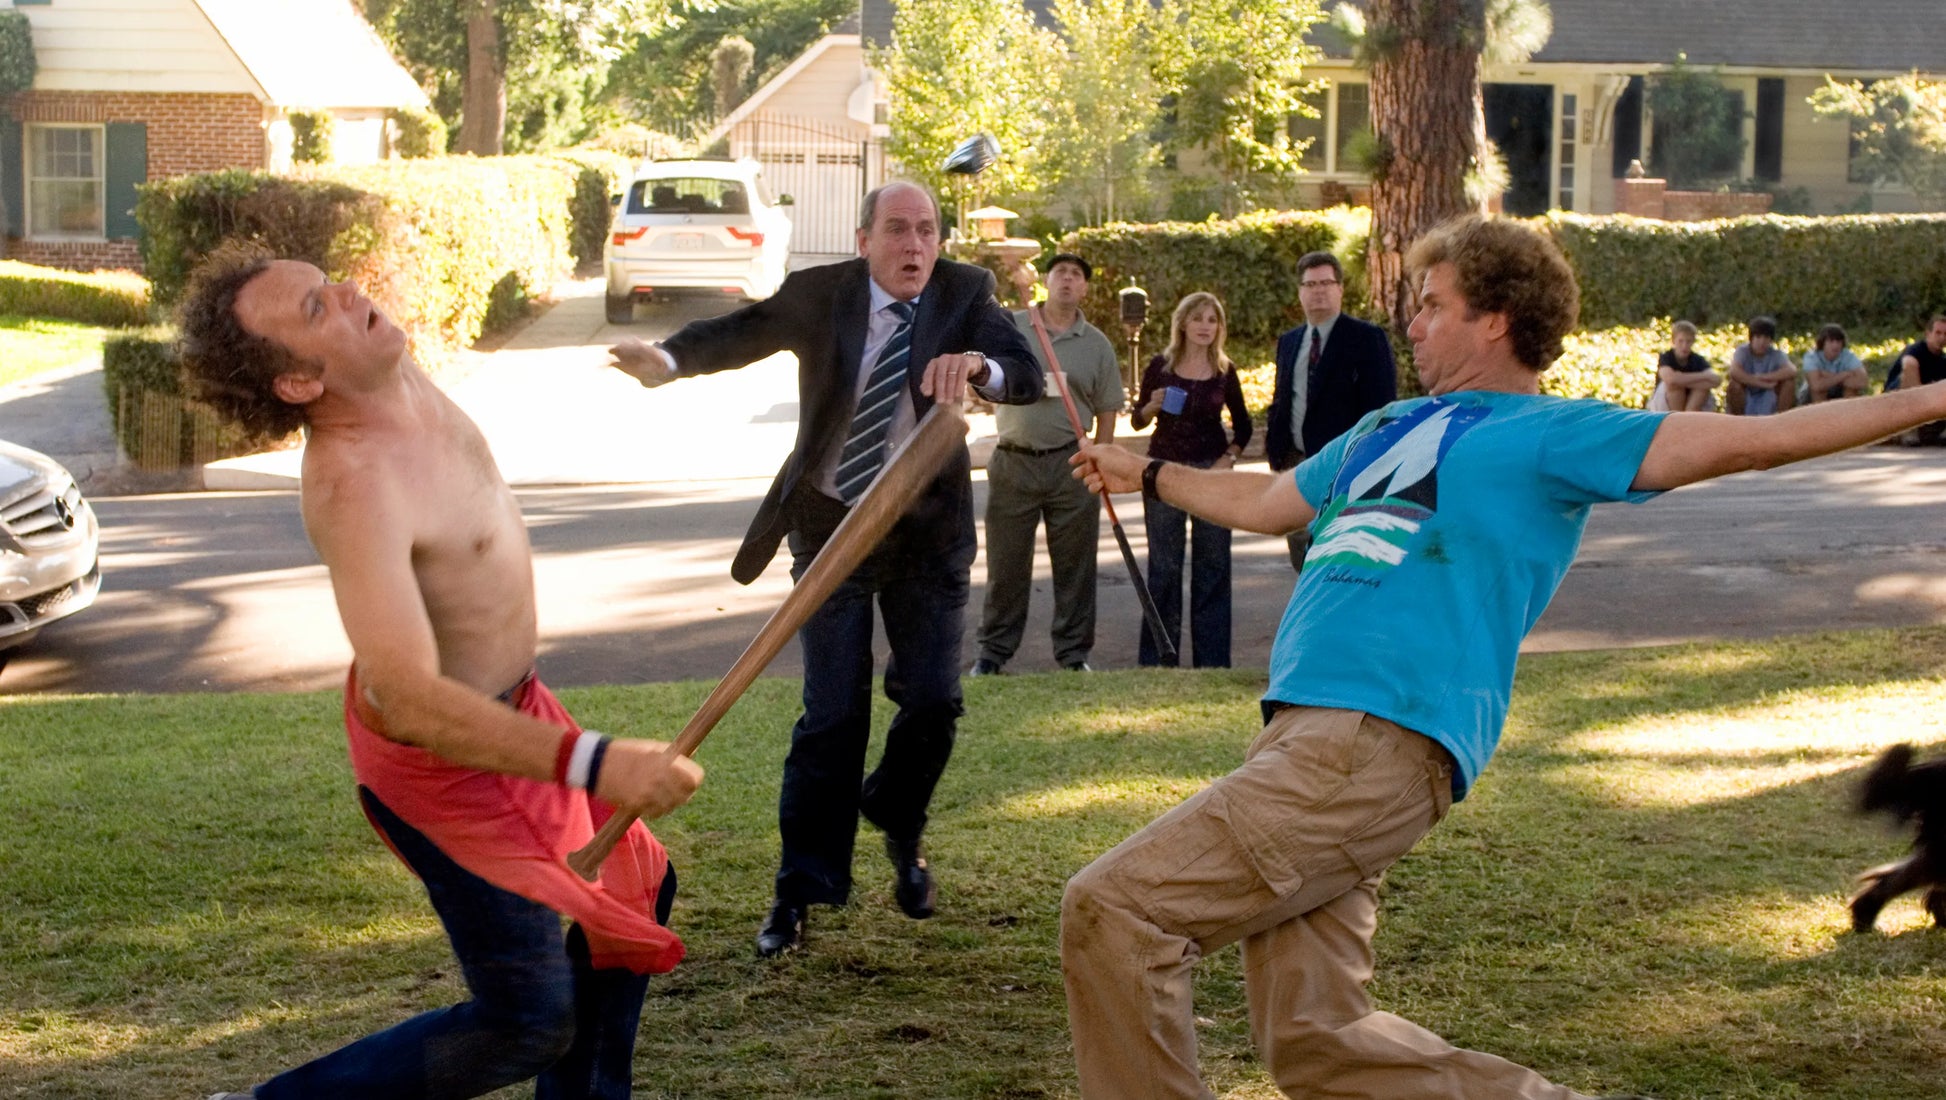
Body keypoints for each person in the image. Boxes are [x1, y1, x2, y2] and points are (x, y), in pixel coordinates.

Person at [1059, 212, 1946, 1100]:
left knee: (1119, 910)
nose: (1411, 322)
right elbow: (1271, 502)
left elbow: (1760, 440)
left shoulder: (1551, 433)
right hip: (1301, 739)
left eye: (1433, 304)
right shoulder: (1387, 424)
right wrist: (1148, 473)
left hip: (1371, 742)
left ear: (1496, 318)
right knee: (1316, 1038)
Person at [177, 244, 704, 1100]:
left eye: (325, 281)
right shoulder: (354, 483)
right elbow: (407, 697)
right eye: (316, 311)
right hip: (449, 761)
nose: (346, 293)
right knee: (527, 1020)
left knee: (635, 892)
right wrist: (599, 762)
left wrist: (656, 362)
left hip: (513, 707)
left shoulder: (394, 376)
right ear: (300, 384)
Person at [607, 180, 1041, 957]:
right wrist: (666, 358)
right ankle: (798, 892)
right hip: (830, 519)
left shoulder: (966, 293)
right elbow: (742, 329)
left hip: (926, 536)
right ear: (864, 237)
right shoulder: (823, 293)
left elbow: (1022, 368)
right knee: (833, 715)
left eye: (928, 231)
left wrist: (978, 368)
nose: (915, 246)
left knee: (934, 701)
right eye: (898, 230)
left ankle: (898, 821)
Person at [970, 252, 1124, 675]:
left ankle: (1074, 654)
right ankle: (993, 653)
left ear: (1085, 288)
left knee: (1075, 565)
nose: (1068, 281)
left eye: (1077, 275)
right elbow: (982, 381)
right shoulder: (1016, 327)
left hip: (1071, 464)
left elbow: (1109, 405)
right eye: (1061, 274)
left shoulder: (1095, 343)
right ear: (1047, 281)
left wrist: (1100, 459)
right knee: (1005, 564)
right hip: (1014, 460)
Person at [1129, 291, 1251, 668]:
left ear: (1219, 328)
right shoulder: (1160, 366)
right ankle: (1158, 661)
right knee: (1163, 568)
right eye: (1197, 318)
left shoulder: (1224, 370)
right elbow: (1138, 419)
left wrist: (1226, 461)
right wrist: (1150, 405)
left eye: (1211, 320)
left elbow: (1243, 427)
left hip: (1210, 477)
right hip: (1163, 473)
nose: (1204, 326)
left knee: (1212, 568)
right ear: (1182, 323)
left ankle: (1212, 664)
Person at [1265, 251, 1397, 570]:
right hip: (1295, 464)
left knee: (1341, 557)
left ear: (1340, 289)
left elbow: (1381, 408)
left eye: (1326, 282)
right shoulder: (1289, 342)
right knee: (1303, 559)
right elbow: (1282, 399)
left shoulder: (1366, 339)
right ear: (1300, 292)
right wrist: (1276, 451)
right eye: (1310, 284)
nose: (1318, 290)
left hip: (1345, 466)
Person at [1885, 313, 1946, 443]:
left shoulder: (1942, 360)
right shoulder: (1916, 350)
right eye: (1938, 333)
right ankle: (1909, 430)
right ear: (1928, 334)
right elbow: (1908, 363)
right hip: (1894, 401)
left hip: (1925, 409)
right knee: (1910, 368)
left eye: (1945, 334)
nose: (1942, 338)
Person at [1724, 314, 1797, 415]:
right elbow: (1734, 372)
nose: (1762, 342)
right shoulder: (1743, 351)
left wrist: (1765, 377)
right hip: (1747, 392)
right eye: (1758, 337)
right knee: (1734, 385)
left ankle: (1782, 417)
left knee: (1789, 383)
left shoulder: (1776, 354)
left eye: (1766, 337)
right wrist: (1759, 383)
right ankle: (1738, 420)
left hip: (1769, 394)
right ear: (1751, 338)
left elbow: (1791, 370)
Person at [1647, 319, 1722, 411]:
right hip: (1664, 403)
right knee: (1674, 387)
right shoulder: (1666, 357)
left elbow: (1716, 380)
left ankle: (1688, 416)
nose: (1684, 346)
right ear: (1674, 341)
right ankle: (1678, 418)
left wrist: (1681, 379)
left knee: (1702, 389)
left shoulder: (1698, 360)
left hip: (1692, 403)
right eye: (1681, 341)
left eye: (1688, 341)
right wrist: (1703, 377)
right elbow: (1670, 379)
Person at [1799, 323, 1868, 404]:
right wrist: (1843, 375)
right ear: (1822, 343)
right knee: (1819, 391)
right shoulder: (1812, 357)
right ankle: (1821, 415)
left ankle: (1848, 414)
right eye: (1831, 341)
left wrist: (1827, 377)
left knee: (1851, 388)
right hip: (1810, 396)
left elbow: (1862, 382)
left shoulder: (1848, 356)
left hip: (1841, 391)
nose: (1835, 345)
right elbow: (1816, 385)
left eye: (1838, 341)